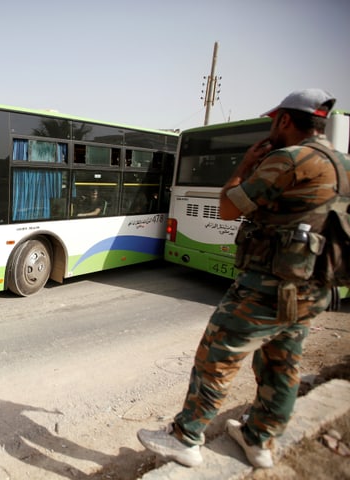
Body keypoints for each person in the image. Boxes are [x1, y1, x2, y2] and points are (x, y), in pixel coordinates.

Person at [137, 88, 348, 469]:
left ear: (285, 120)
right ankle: (259, 441)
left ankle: (186, 437)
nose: (271, 128)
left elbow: (229, 207)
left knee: (216, 355)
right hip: (313, 286)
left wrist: (245, 166)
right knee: (282, 363)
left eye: (273, 121)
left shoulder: (289, 159)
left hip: (268, 287)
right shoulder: (342, 162)